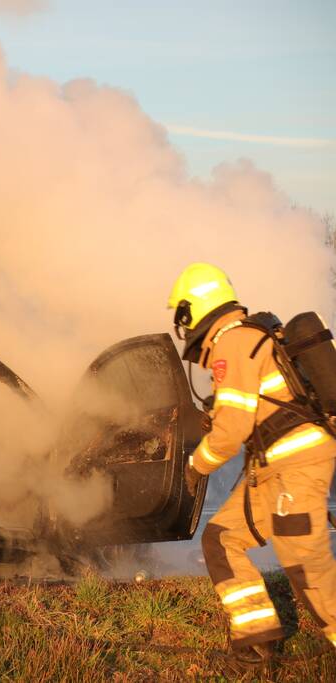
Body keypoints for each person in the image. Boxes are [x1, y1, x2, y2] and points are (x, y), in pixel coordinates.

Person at [168, 262, 336, 666]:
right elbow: (247, 417)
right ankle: (256, 640)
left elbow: (231, 430)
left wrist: (196, 466)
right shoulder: (249, 339)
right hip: (272, 470)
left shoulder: (233, 341)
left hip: (295, 466)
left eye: (181, 317)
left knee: (305, 566)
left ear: (192, 311)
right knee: (222, 538)